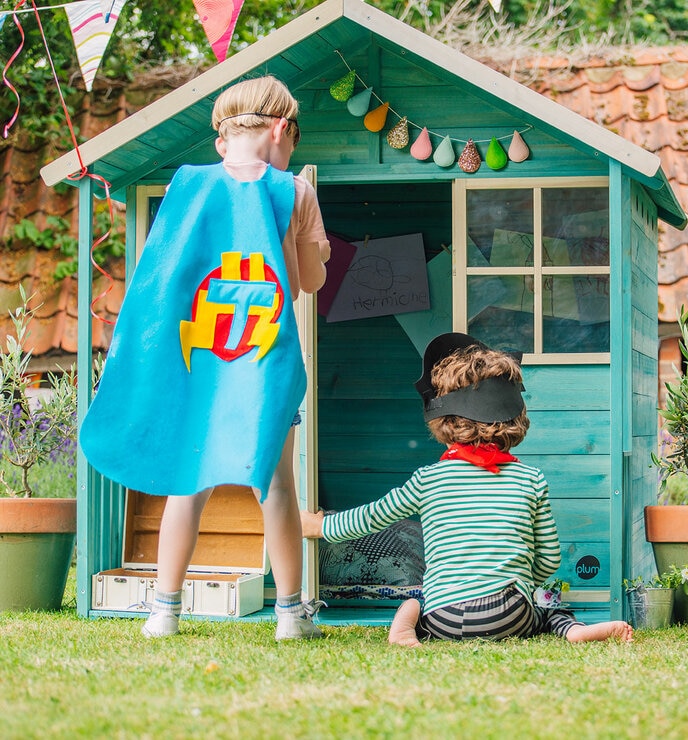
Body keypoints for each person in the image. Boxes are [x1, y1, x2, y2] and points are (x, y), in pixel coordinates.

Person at [79, 76, 330, 640]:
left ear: (221, 140)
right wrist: (306, 246)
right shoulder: (296, 190)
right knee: (277, 486)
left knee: (187, 481)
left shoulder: (186, 184)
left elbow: (166, 276)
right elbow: (305, 283)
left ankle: (163, 610)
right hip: (264, 361)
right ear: (281, 130)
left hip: (199, 361)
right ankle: (290, 615)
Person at [301, 333, 633, 647]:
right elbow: (548, 561)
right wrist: (518, 569)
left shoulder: (428, 480)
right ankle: (572, 630)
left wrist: (320, 526)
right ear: (515, 416)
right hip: (510, 614)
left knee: (416, 601)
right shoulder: (530, 479)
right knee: (548, 610)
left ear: (442, 418)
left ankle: (405, 625)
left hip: (442, 616)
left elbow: (373, 518)